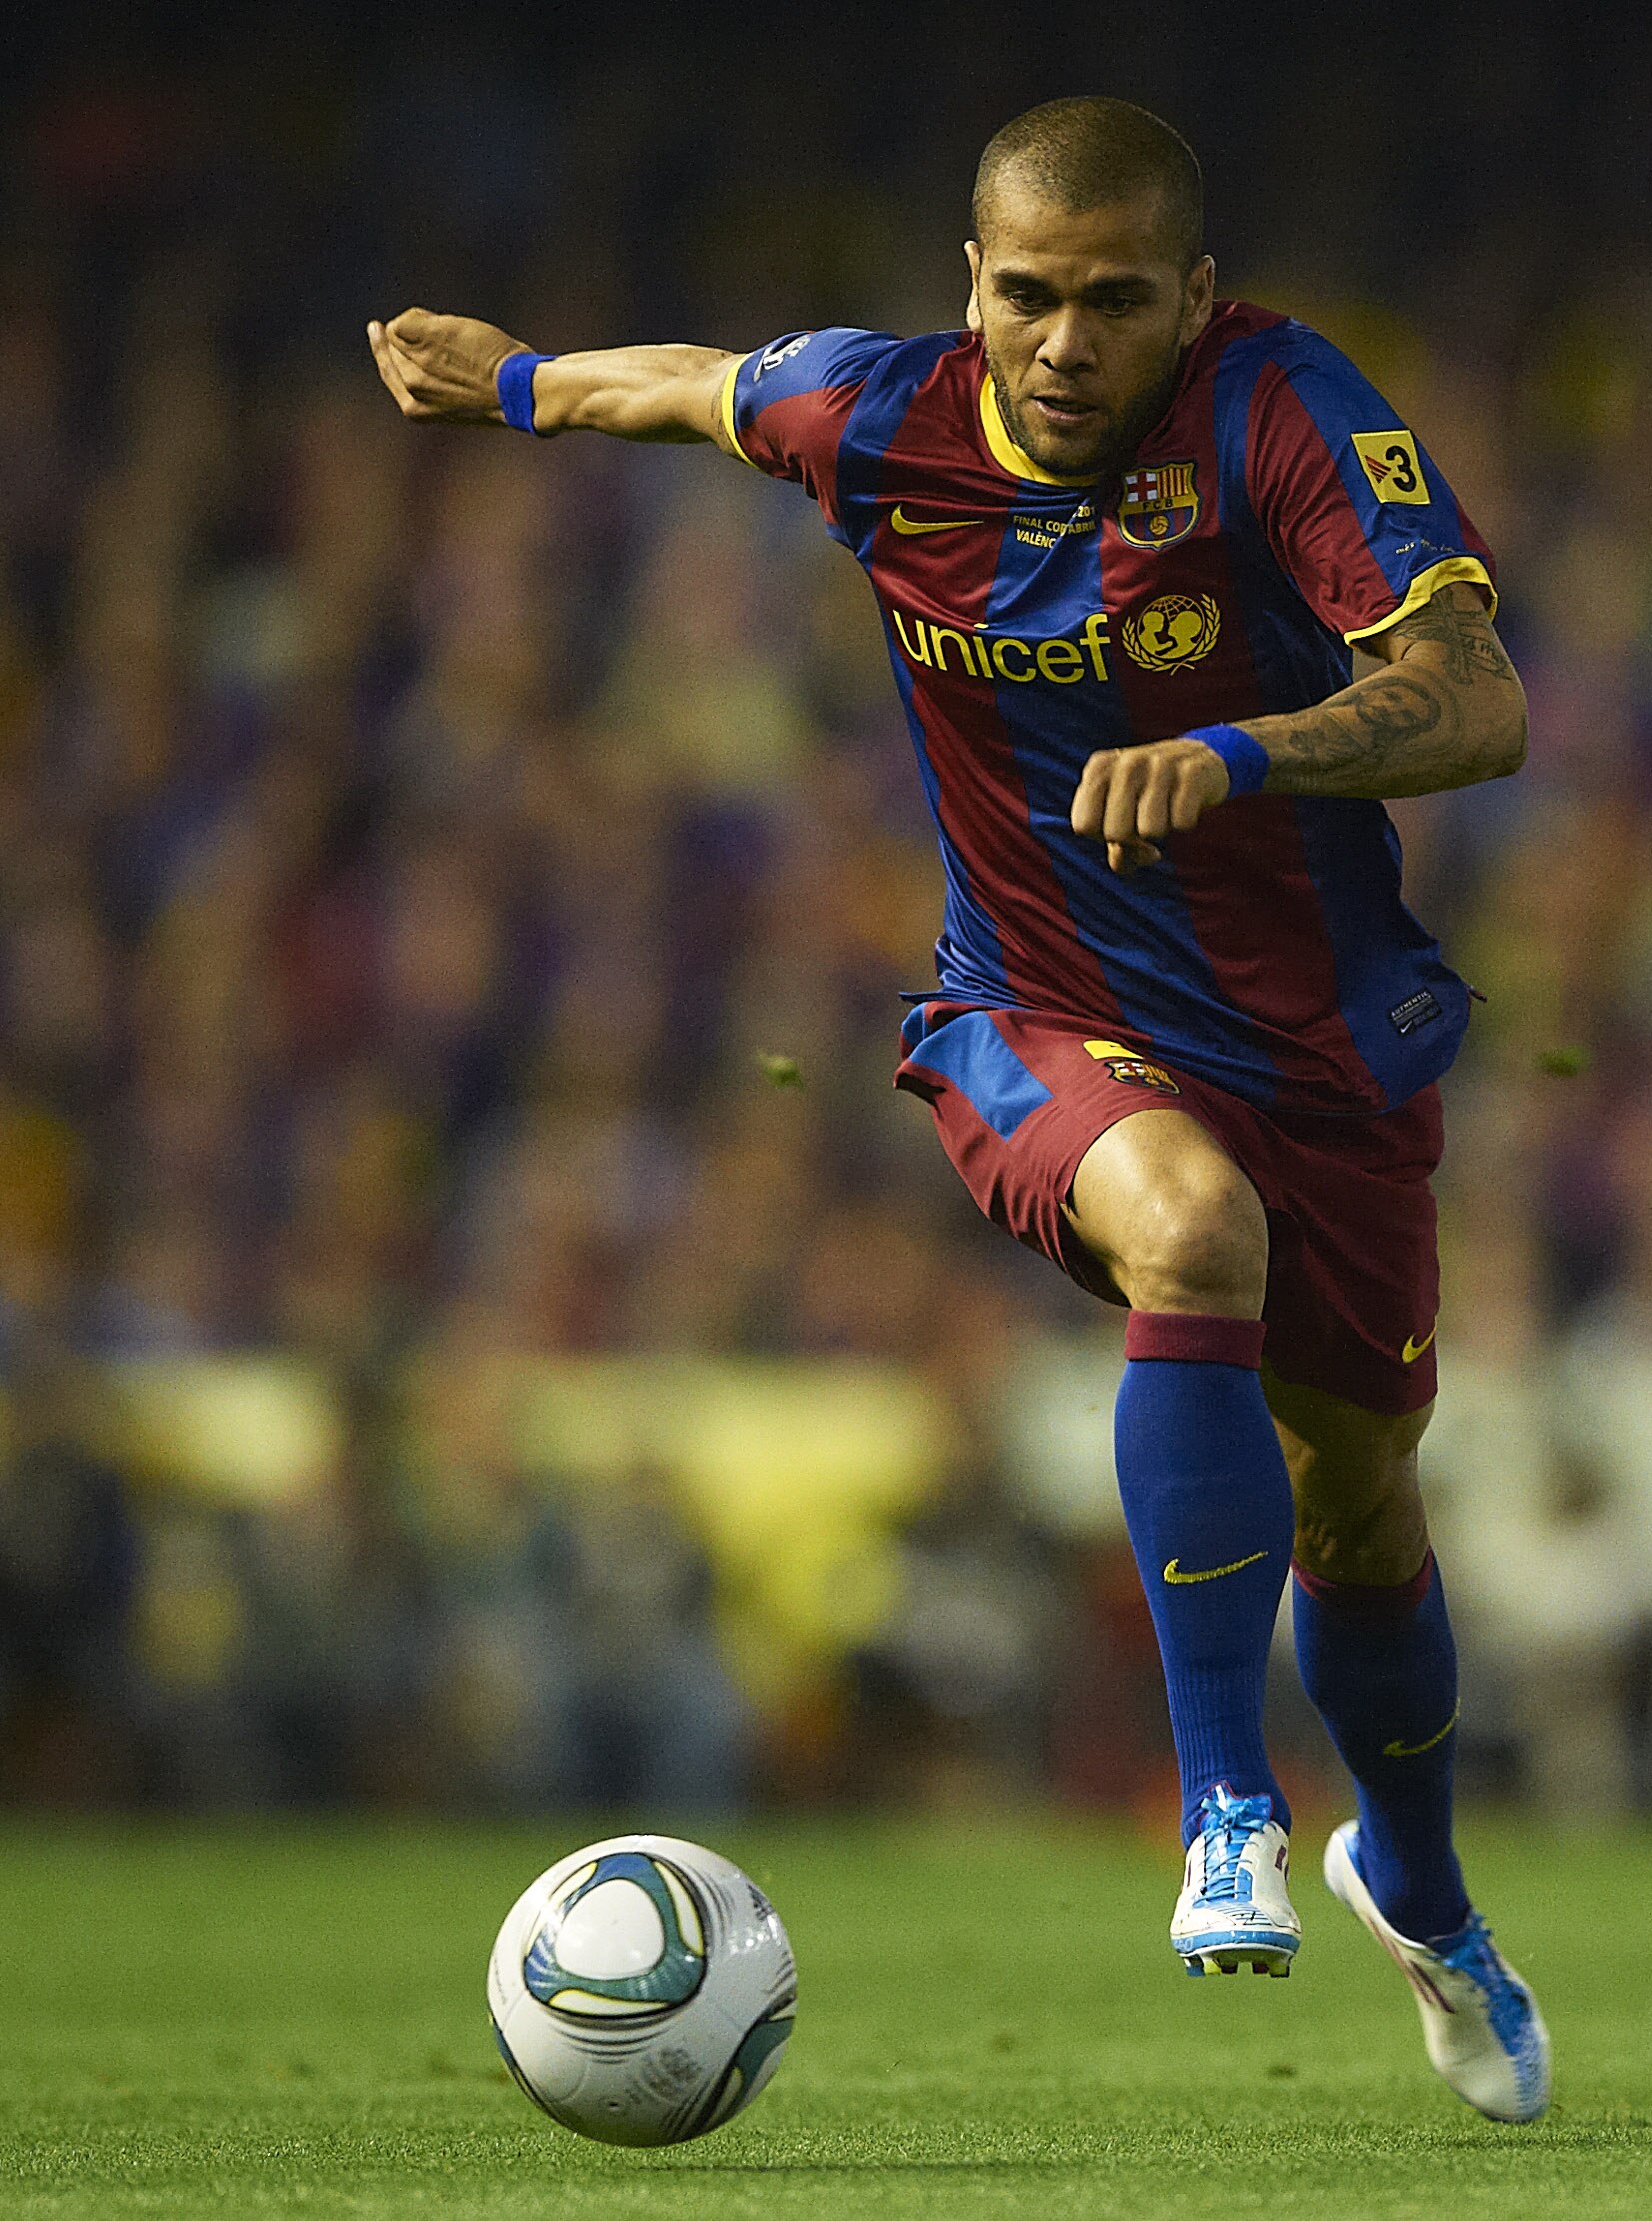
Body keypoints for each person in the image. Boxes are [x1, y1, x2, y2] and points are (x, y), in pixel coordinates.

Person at [368, 95, 1547, 2124]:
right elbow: (700, 388)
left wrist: (1253, 752)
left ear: (1192, 295)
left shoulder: (1284, 413)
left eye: (1112, 301)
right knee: (1193, 1233)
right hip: (1033, 1009)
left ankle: (1422, 1892)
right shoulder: (882, 414)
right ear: (969, 288)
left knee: (1365, 1496)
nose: (1067, 342)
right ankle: (1227, 1809)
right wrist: (523, 385)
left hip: (1325, 1057)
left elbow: (1476, 695)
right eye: (1027, 297)